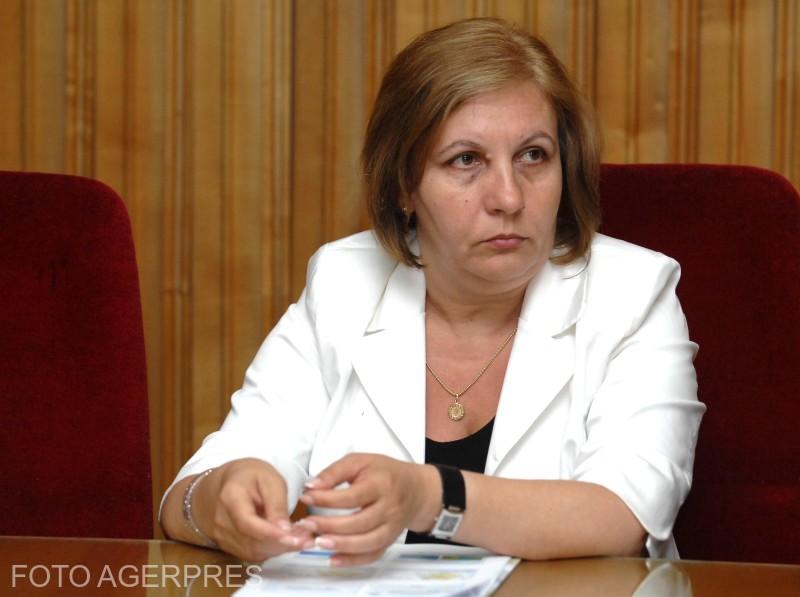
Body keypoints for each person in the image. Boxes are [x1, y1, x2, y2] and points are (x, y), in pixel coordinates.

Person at [160, 17, 704, 567]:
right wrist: (219, 500)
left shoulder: (633, 293)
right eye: (466, 160)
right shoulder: (344, 281)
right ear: (403, 185)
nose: (509, 197)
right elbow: (187, 496)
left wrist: (430, 497)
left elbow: (623, 517)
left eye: (533, 155)